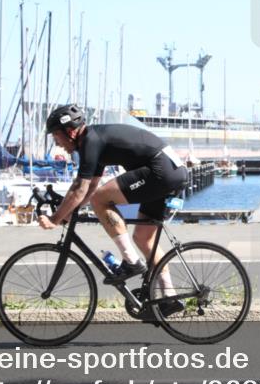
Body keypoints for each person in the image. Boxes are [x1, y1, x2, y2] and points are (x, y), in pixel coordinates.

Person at [40, 104, 188, 301]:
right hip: (170, 171)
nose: (57, 144)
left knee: (100, 199)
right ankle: (170, 297)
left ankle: (131, 261)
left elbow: (80, 189)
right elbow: (90, 185)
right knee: (144, 239)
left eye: (55, 136)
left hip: (160, 171)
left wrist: (55, 218)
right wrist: (68, 213)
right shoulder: (95, 141)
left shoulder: (90, 141)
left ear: (70, 132)